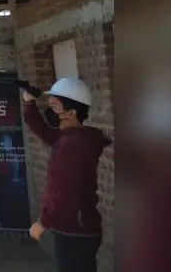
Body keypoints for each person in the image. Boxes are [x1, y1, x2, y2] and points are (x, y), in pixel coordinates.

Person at [22, 77, 112, 272]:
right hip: (79, 228)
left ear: (71, 113)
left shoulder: (72, 145)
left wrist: (42, 223)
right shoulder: (72, 137)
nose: (50, 109)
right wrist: (29, 103)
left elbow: (62, 190)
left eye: (55, 106)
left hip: (73, 231)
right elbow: (43, 131)